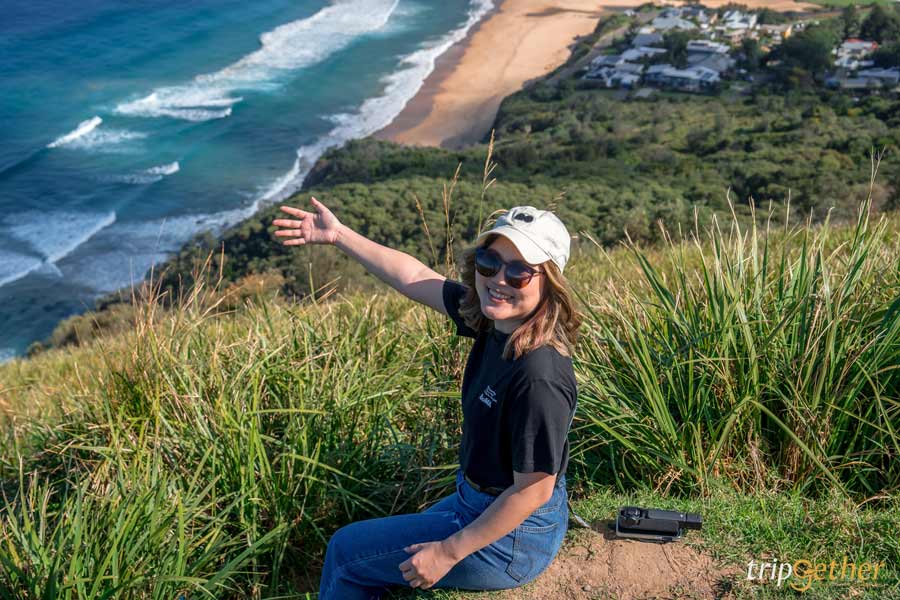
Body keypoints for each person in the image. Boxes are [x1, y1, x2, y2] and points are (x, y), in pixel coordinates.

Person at [273, 197, 581, 599]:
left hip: (514, 541)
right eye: (490, 263)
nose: (499, 279)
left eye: (520, 271)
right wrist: (338, 235)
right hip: (477, 502)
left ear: (549, 283)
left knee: (346, 553)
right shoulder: (495, 321)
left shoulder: (538, 375)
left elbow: (534, 489)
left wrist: (449, 552)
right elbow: (413, 275)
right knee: (387, 551)